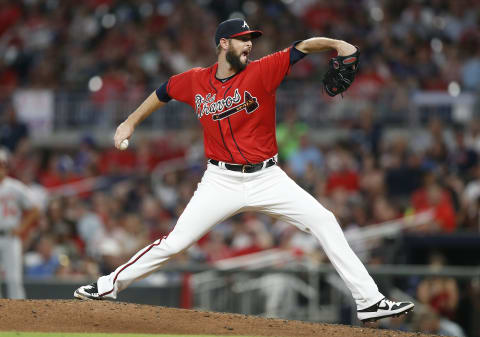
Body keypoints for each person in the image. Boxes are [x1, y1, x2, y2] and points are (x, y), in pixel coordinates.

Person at [74, 18, 414, 322]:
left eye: (250, 38)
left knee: (324, 220)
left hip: (267, 177)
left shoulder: (262, 70)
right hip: (220, 180)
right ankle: (106, 285)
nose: (249, 44)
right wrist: (129, 122)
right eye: (242, 38)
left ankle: (369, 301)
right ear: (224, 44)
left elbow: (302, 47)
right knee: (175, 242)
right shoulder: (194, 80)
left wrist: (338, 44)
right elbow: (162, 92)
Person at [0, 147, 40, 298]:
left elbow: (35, 209)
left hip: (10, 236)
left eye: (2, 164)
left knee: (13, 280)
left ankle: (19, 319)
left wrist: (22, 228)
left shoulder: (15, 187)